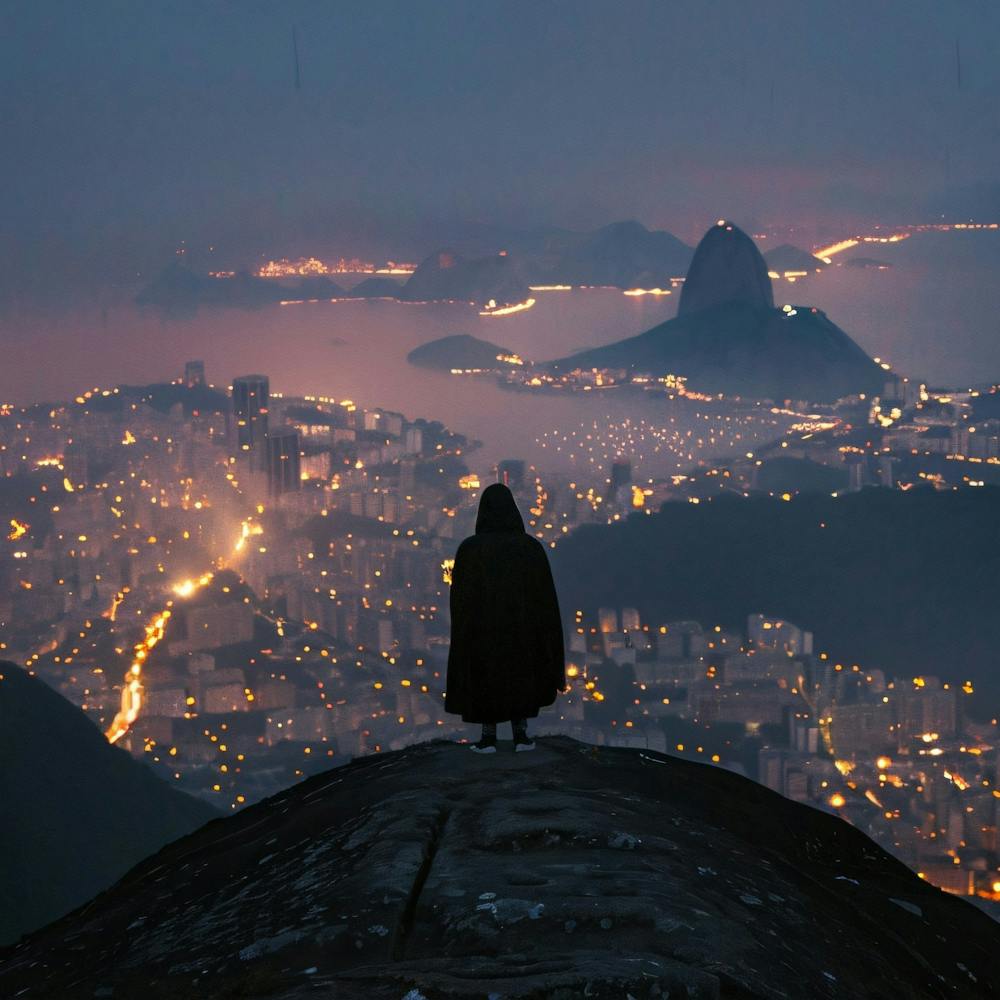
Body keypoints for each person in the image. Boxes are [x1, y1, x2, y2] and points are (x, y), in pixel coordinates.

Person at [445, 482, 566, 753]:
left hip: (482, 633)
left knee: (486, 678)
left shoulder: (470, 550)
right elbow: (545, 599)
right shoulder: (531, 549)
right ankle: (521, 735)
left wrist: (466, 632)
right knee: (520, 676)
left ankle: (488, 737)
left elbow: (460, 601)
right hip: (523, 632)